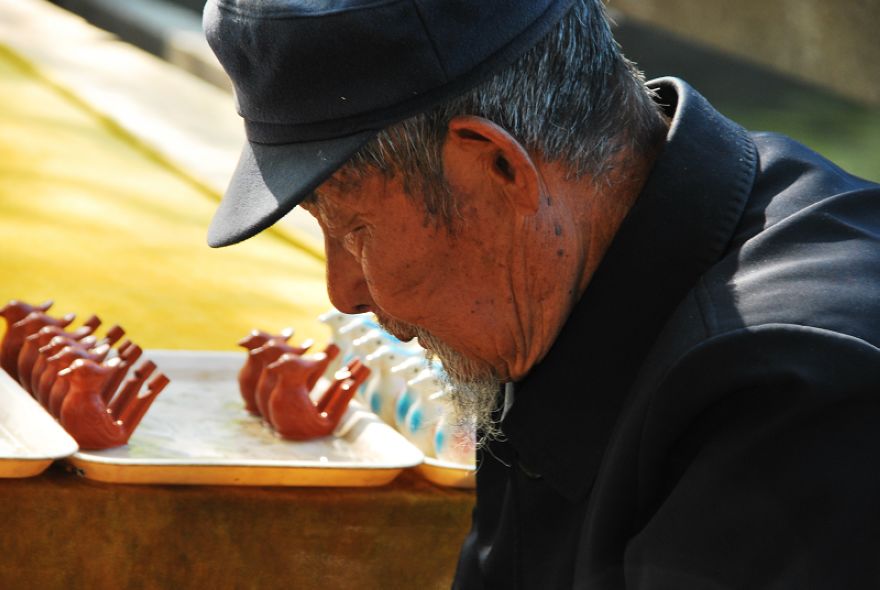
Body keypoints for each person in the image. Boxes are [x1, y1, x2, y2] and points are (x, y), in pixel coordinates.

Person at [202, 0, 880, 587]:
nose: (343, 292)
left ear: (495, 167)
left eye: (353, 229)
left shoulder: (795, 394)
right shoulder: (554, 290)